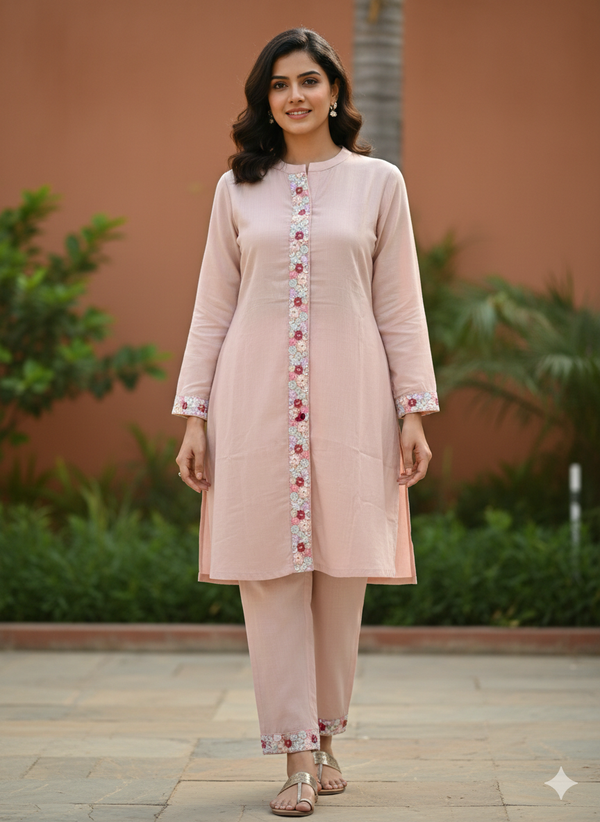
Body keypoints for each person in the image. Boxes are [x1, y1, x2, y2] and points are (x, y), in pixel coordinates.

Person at [173, 27, 439, 818]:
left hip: (351, 403)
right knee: (271, 575)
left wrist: (412, 409)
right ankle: (293, 758)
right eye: (280, 85)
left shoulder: (378, 184)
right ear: (266, 99)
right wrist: (193, 416)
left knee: (339, 576)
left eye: (309, 81)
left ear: (333, 92)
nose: (295, 96)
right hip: (250, 403)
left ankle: (326, 736)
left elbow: (400, 306)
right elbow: (211, 308)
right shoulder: (237, 190)